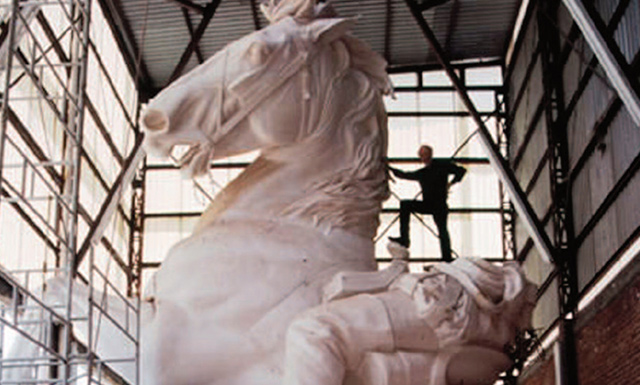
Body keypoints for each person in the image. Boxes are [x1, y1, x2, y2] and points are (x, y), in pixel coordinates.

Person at [388, 145, 466, 261]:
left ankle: (447, 258)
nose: (423, 157)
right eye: (421, 155)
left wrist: (451, 183)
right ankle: (404, 239)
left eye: (424, 154)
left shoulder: (441, 166)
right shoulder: (423, 172)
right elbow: (405, 175)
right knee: (405, 205)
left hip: (439, 205)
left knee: (443, 231)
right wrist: (388, 168)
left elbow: (461, 171)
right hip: (428, 204)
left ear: (430, 154)